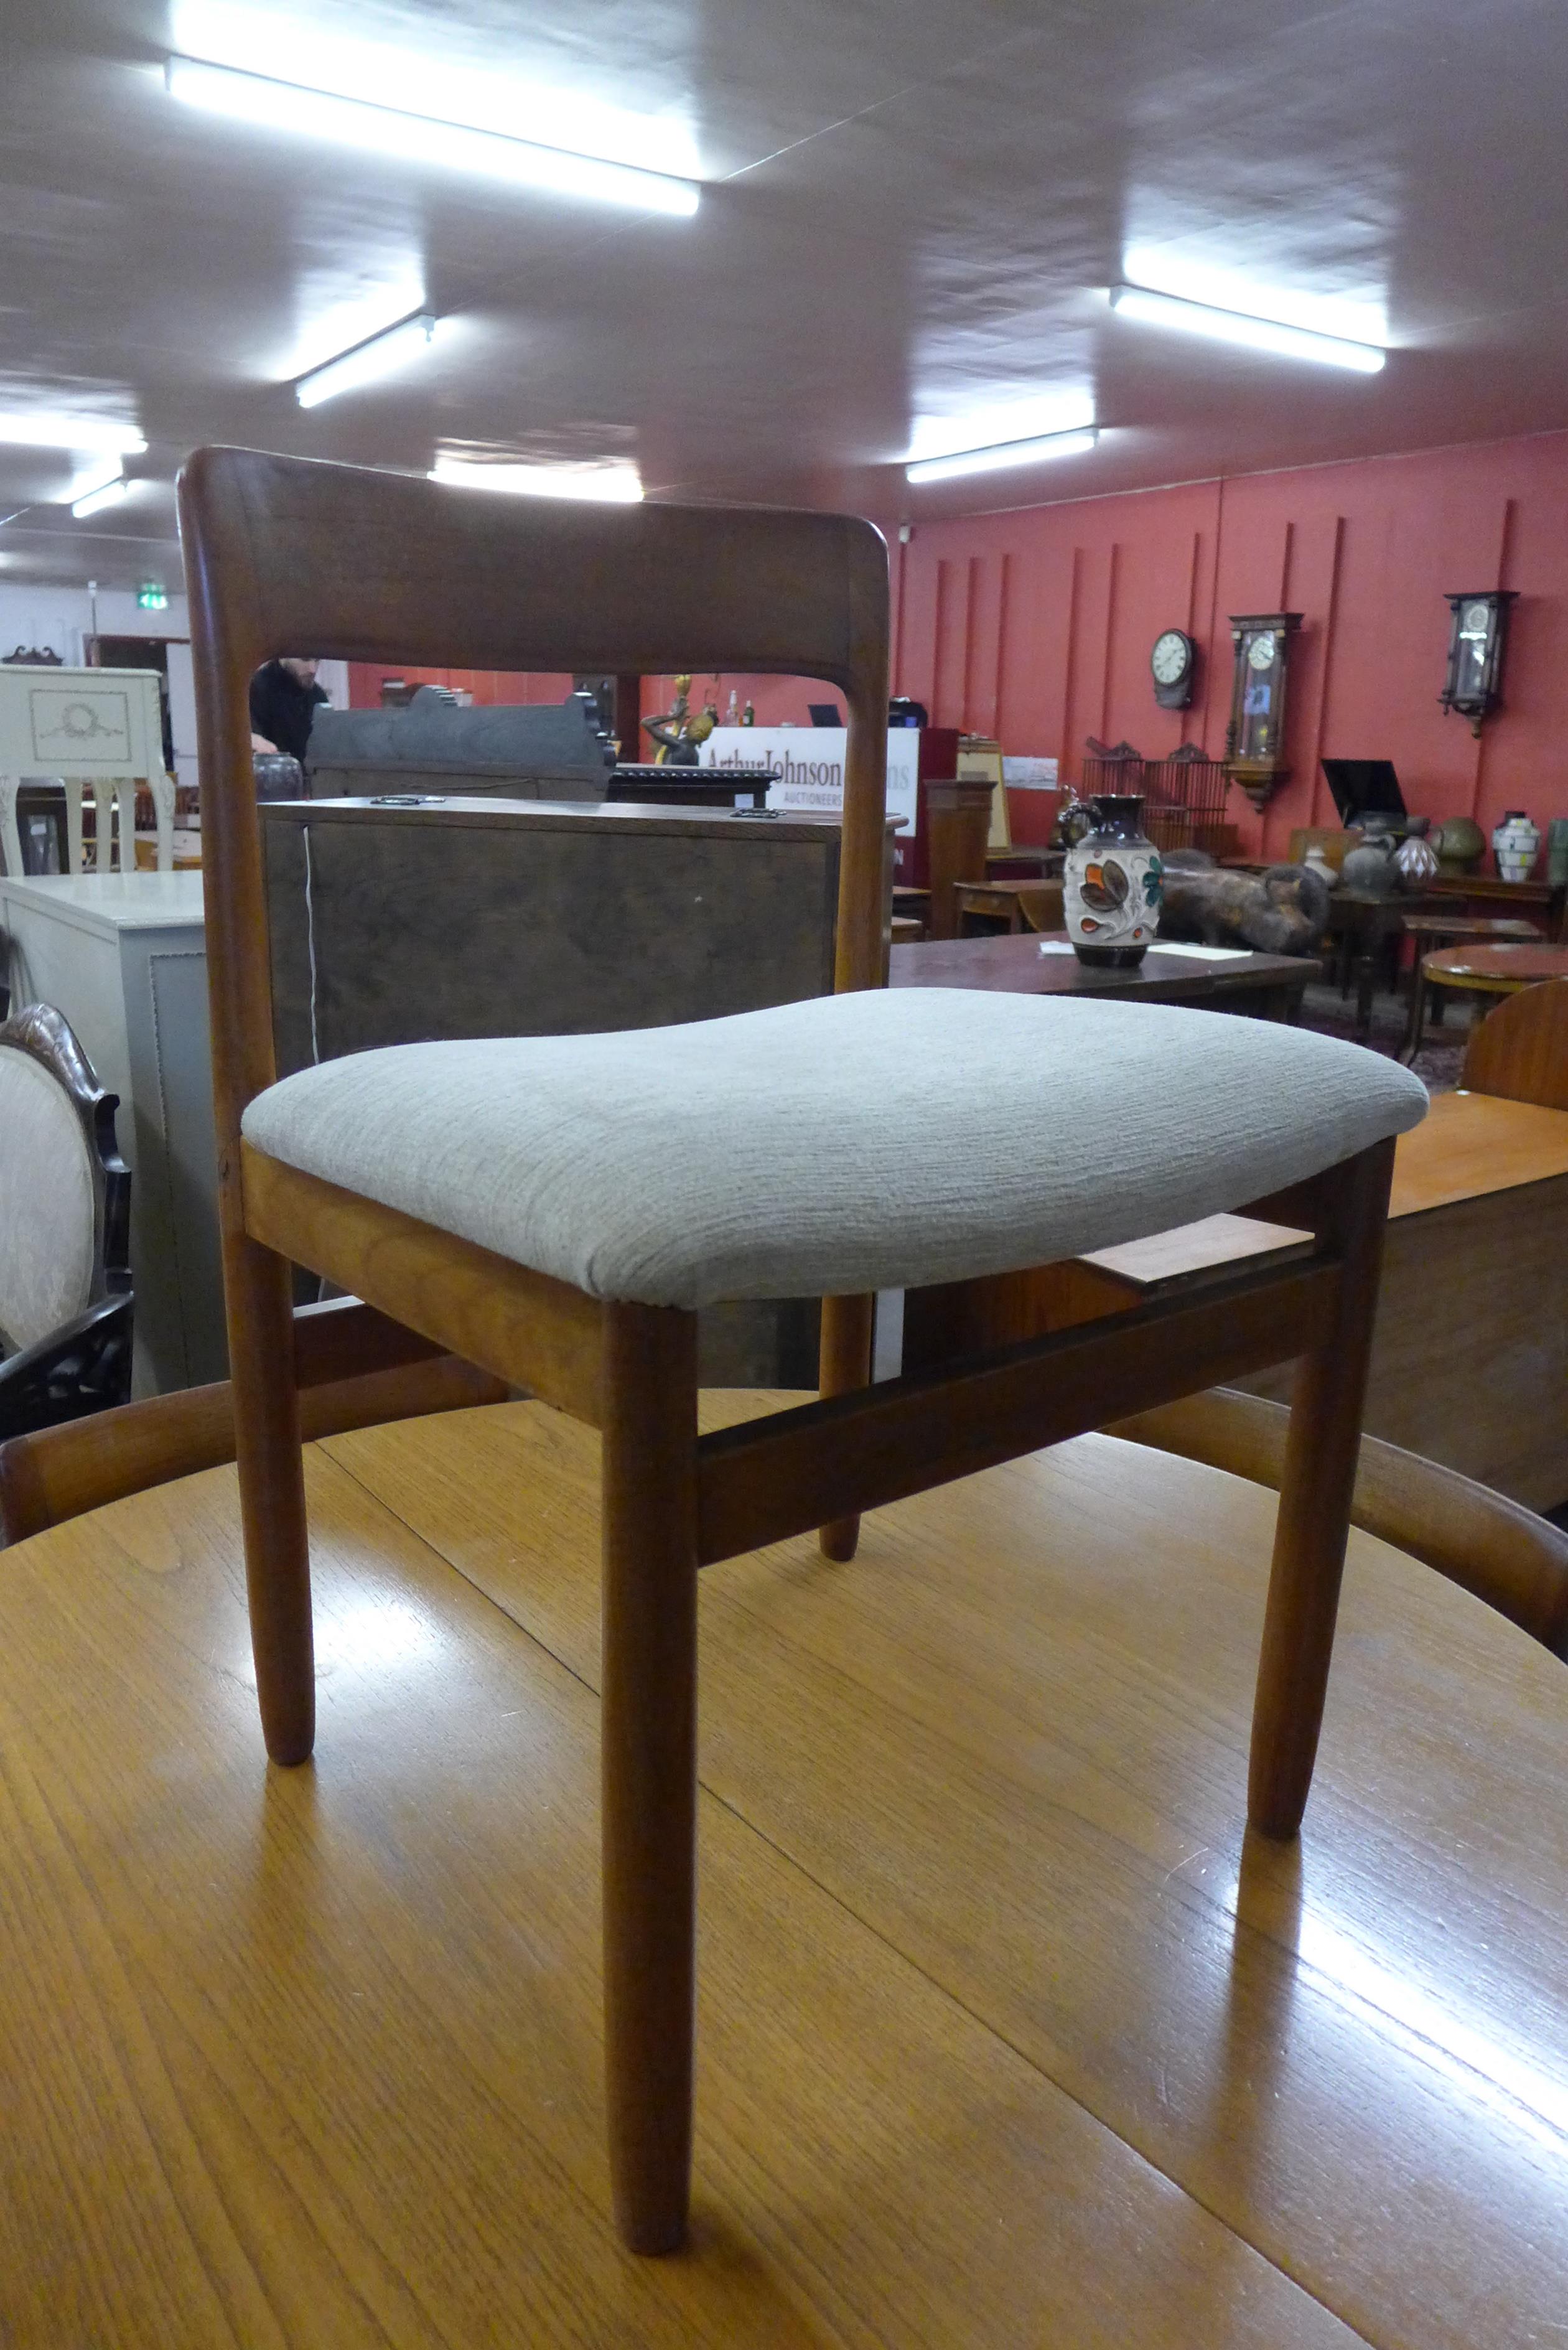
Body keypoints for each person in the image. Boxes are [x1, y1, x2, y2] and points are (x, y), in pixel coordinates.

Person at [249, 657, 328, 764]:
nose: (312, 670)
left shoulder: (318, 695)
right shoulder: (256, 688)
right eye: (305, 660)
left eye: (317, 660)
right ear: (284, 656)